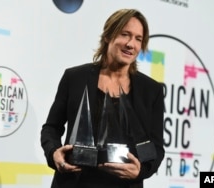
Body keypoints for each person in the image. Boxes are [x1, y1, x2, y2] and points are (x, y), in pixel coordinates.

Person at [41, 8, 164, 188]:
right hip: (74, 182)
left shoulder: (151, 90)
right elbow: (51, 128)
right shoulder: (75, 77)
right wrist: (54, 153)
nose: (131, 44)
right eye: (125, 34)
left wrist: (141, 171)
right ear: (108, 36)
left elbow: (156, 147)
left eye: (138, 39)